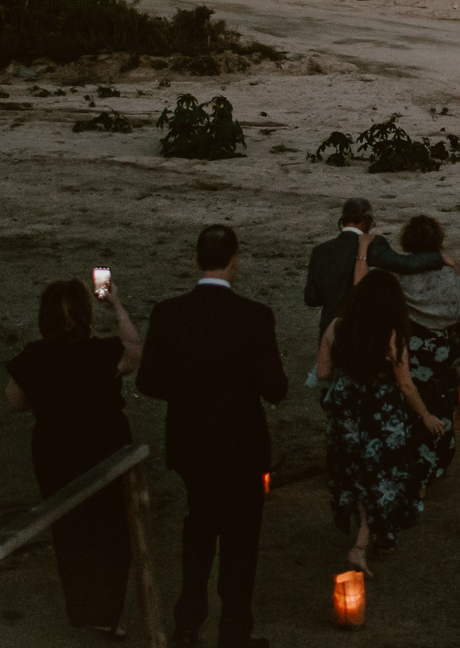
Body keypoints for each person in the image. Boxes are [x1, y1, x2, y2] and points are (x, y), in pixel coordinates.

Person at [136, 226, 289, 648]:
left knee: (199, 525)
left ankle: (188, 620)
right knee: (241, 537)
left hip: (191, 441)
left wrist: (187, 391)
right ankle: (234, 629)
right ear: (235, 261)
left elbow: (148, 381)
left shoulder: (168, 313)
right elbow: (275, 388)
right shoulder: (255, 316)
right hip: (241, 444)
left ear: (196, 260)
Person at [6, 278, 141, 638]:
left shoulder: (34, 358)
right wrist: (115, 305)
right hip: (104, 449)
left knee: (68, 530)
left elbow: (15, 400)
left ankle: (81, 607)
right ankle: (104, 611)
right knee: (112, 531)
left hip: (55, 452)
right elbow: (134, 351)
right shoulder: (103, 352)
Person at [316, 271, 446, 576]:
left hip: (345, 416)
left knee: (358, 478)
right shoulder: (392, 336)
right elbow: (406, 385)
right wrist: (425, 416)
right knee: (382, 479)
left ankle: (374, 538)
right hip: (380, 418)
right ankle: (361, 546)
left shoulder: (337, 327)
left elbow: (322, 373)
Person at [304, 199, 452, 340]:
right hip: (362, 328)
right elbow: (405, 264)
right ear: (366, 219)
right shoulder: (373, 244)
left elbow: (311, 299)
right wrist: (438, 258)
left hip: (329, 328)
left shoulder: (320, 251)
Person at [389, 215, 460, 479]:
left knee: (409, 399)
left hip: (414, 344)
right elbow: (458, 308)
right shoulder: (448, 272)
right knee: (441, 403)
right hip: (441, 347)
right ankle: (433, 462)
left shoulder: (402, 275)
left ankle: (411, 463)